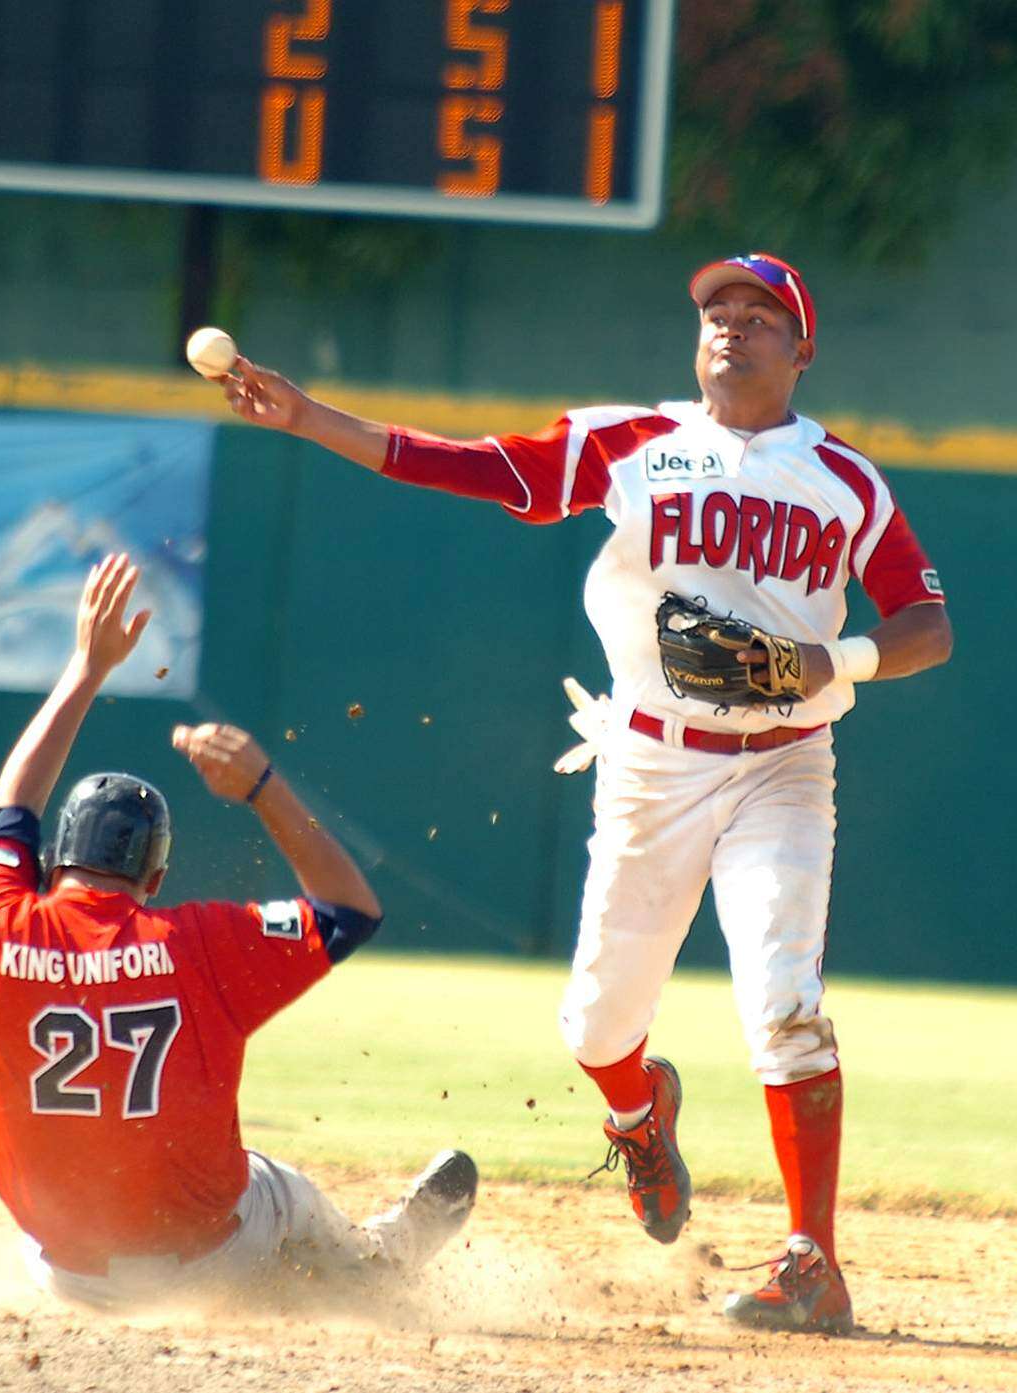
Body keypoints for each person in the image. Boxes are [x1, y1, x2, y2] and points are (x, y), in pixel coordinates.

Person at [217, 252, 953, 1334]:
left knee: (782, 1002)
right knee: (598, 1024)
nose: (729, 328)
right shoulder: (634, 440)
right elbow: (468, 464)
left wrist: (829, 662)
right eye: (716, 312)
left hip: (785, 765)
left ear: (802, 349)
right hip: (651, 762)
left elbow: (927, 626)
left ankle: (814, 1261)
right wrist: (310, 416)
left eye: (758, 316)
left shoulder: (845, 480)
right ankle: (638, 1110)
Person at [0, 552, 478, 1311]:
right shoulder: (192, 944)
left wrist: (86, 667)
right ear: (153, 877)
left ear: (51, 857)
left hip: (63, 1277)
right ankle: (377, 1259)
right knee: (278, 1187)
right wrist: (263, 787)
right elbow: (350, 909)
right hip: (205, 1264)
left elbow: (7, 810)